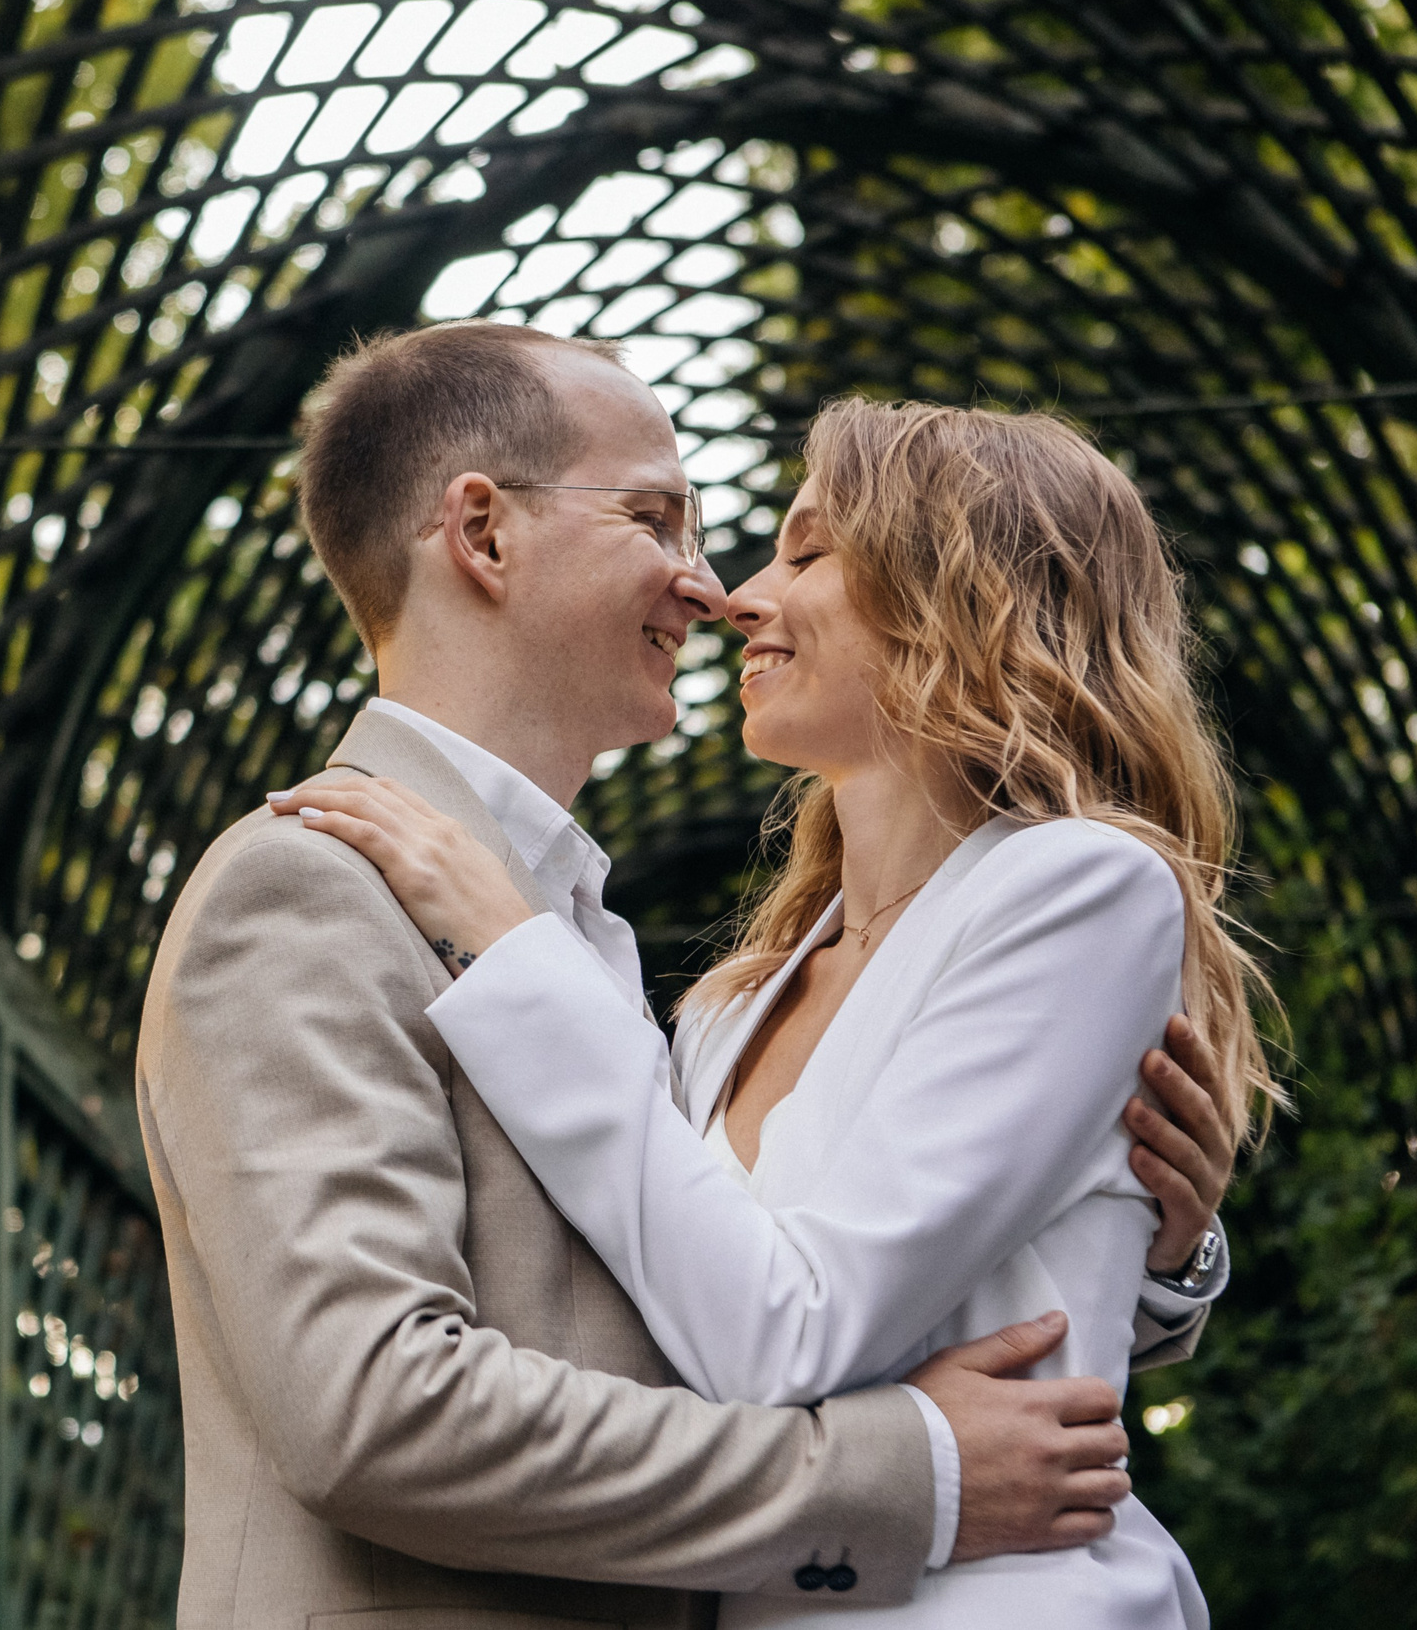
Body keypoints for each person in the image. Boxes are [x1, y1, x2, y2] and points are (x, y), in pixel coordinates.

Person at [137, 321, 1239, 1629]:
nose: (715, 587)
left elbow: (728, 1267)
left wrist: (1127, 1234)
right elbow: (375, 1406)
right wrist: (913, 1471)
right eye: (657, 518)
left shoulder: (577, 934)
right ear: (484, 535)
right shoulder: (312, 882)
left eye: (781, 546)